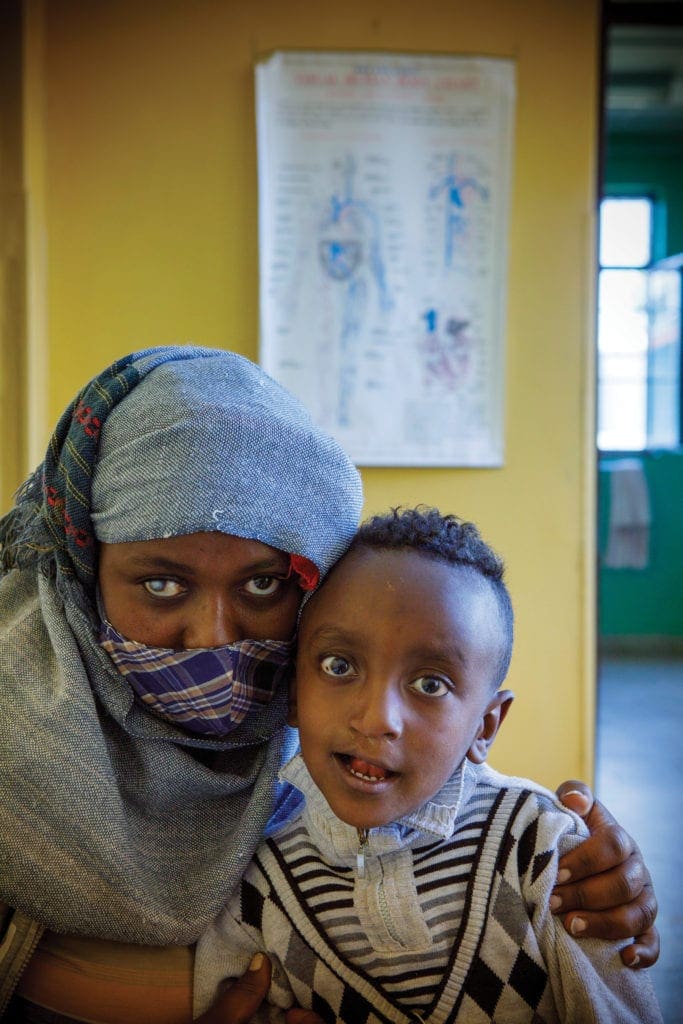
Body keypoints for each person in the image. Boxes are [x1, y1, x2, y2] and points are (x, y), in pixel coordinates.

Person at [0, 348, 657, 1024]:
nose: (213, 636)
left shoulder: (315, 753)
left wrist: (589, 877)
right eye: (161, 583)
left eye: (263, 584)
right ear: (83, 567)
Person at [195, 507, 663, 1024]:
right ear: (292, 694)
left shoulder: (551, 856)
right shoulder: (255, 881)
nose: (376, 719)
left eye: (430, 684)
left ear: (484, 727)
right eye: (338, 665)